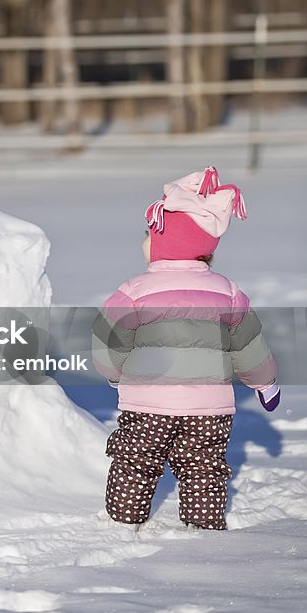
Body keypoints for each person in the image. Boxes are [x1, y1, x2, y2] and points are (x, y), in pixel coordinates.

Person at [92, 166, 280, 532]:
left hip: (147, 403)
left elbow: (108, 338)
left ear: (165, 241)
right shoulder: (227, 291)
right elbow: (249, 345)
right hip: (209, 408)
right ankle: (204, 529)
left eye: (150, 232)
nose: (145, 239)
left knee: (136, 461)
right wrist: (265, 383)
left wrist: (114, 375)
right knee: (203, 466)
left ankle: (122, 523)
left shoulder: (134, 290)